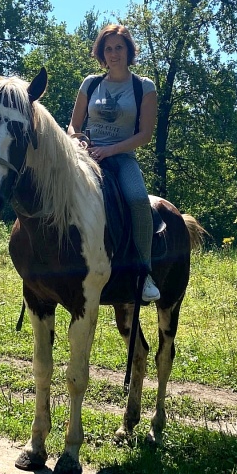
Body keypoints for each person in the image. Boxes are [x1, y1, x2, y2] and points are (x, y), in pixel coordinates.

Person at [68, 24, 160, 302]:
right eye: (108, 49)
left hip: (121, 157)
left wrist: (111, 151)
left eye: (119, 47)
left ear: (129, 51)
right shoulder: (91, 83)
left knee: (137, 199)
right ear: (101, 53)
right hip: (86, 152)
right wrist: (79, 141)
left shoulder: (143, 87)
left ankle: (144, 273)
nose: (113, 53)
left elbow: (145, 135)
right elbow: (73, 125)